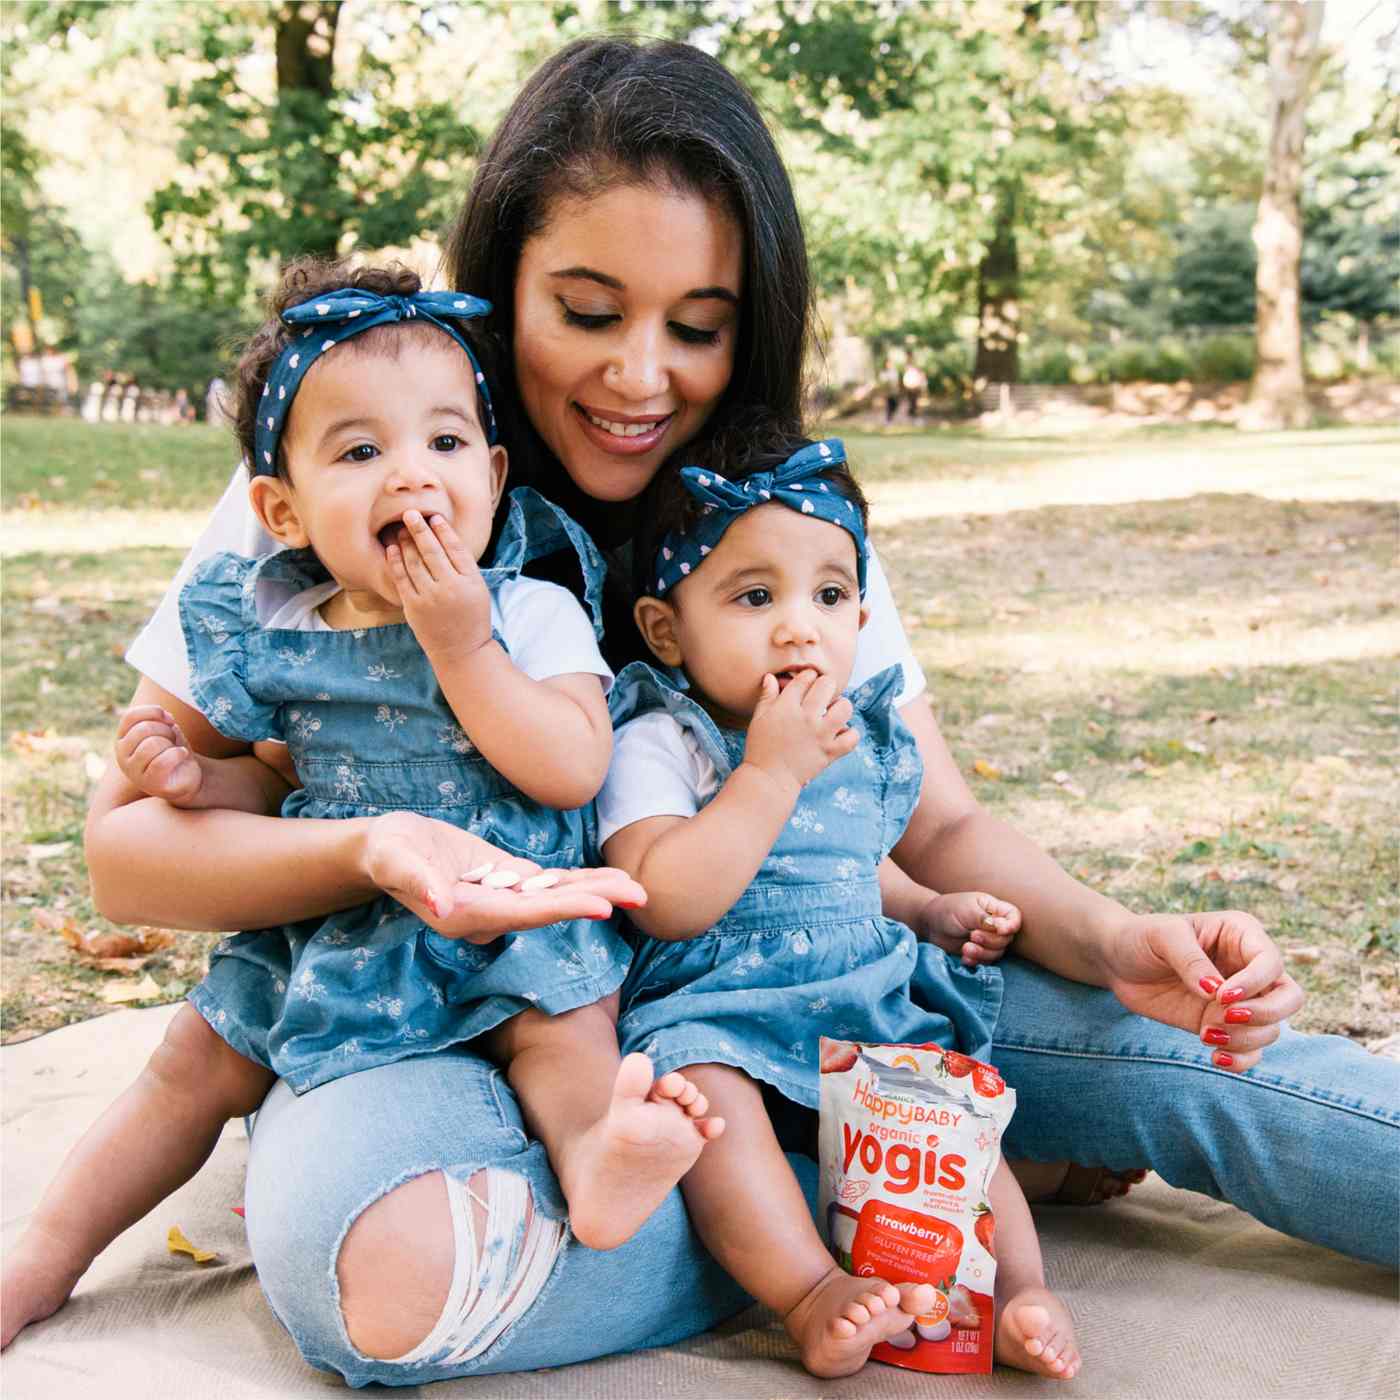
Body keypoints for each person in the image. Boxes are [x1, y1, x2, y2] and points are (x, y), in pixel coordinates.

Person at [61, 34, 1395, 1388]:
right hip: (480, 1026)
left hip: (825, 986)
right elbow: (134, 853)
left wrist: (1118, 938)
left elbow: (939, 831)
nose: (645, 376)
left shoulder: (777, 516)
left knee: (1219, 1069)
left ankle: (869, 1175)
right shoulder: (354, 458)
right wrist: (372, 848)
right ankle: (885, 1203)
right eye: (588, 312)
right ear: (499, 287)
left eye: (695, 327)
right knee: (378, 1279)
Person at [1, 258, 724, 1349]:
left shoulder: (526, 606)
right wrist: (202, 780)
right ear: (280, 508)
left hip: (512, 915)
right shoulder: (281, 624)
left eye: (442, 444)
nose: (411, 477)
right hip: (336, 928)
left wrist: (461, 642)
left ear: (488, 473)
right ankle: (41, 1256)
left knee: (566, 1040)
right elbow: (284, 777)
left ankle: (601, 1165)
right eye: (359, 451)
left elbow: (572, 764)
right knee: (188, 1062)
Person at [594, 423, 1075, 1381]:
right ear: (665, 628)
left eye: (830, 595)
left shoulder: (855, 730)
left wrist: (926, 910)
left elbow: (850, 861)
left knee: (954, 1108)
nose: (798, 626)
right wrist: (766, 774)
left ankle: (1017, 1288)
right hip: (719, 1004)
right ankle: (808, 1291)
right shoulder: (663, 737)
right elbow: (666, 897)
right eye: (755, 596)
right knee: (710, 1116)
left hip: (862, 994)